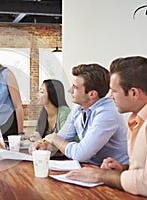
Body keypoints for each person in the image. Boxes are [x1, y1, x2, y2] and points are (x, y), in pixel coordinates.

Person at [66, 56, 147, 197]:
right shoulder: (137, 120)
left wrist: (101, 175)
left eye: (114, 91)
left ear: (133, 93)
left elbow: (145, 182)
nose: (110, 96)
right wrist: (122, 169)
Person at [36, 63, 129, 165]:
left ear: (92, 94)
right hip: (90, 167)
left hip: (114, 172)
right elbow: (63, 138)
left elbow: (81, 154)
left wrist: (54, 139)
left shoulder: (107, 113)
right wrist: (46, 145)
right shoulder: (79, 107)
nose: (70, 90)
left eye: (75, 87)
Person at [28, 79, 71, 154]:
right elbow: (39, 136)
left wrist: (41, 140)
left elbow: (64, 143)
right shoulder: (43, 112)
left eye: (41, 92)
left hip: (65, 158)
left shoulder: (64, 113)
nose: (37, 95)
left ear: (52, 94)